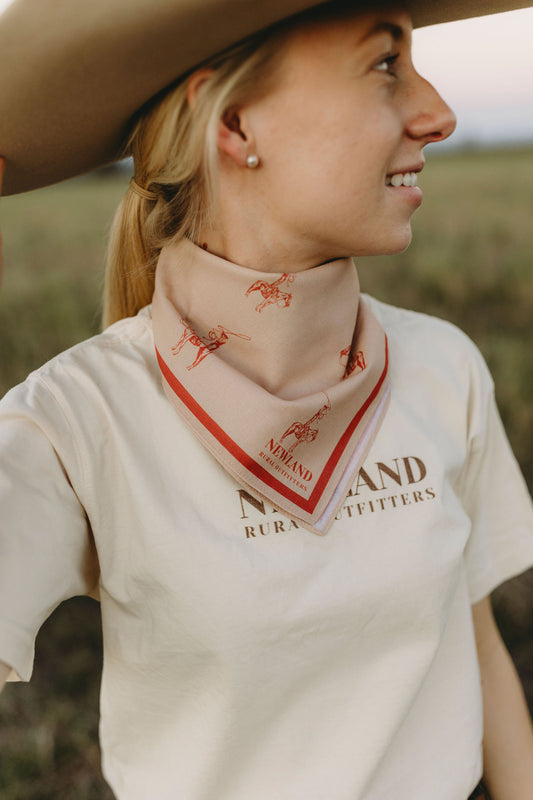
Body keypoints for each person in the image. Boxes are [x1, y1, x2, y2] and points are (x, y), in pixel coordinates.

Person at [1, 0, 533, 798]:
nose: (438, 113)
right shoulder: (69, 424)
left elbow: (474, 639)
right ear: (238, 125)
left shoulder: (442, 367)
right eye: (385, 63)